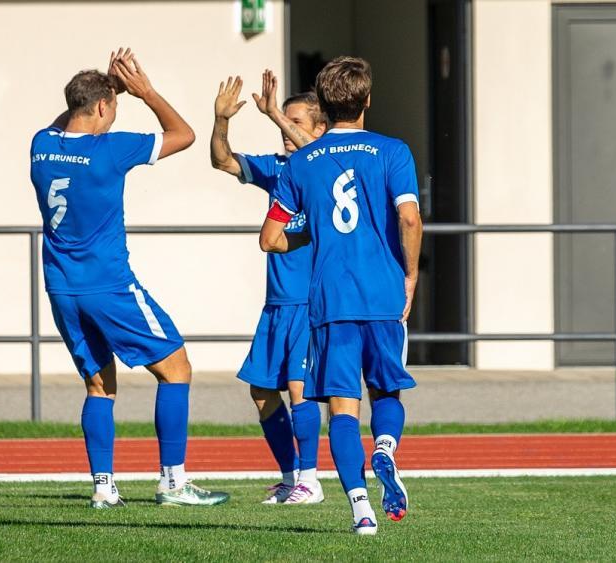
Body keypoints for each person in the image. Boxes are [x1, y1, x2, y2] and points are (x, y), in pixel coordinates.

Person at [30, 48, 229, 509]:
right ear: (103, 106)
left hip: (61, 287)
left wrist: (99, 91)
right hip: (109, 285)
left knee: (99, 385)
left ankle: (104, 488)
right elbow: (184, 134)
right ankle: (173, 482)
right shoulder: (110, 149)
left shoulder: (41, 144)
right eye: (113, 105)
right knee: (176, 368)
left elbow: (66, 122)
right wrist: (144, 91)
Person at [259, 56, 423, 535]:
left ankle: (361, 511)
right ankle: (386, 449)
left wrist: (312, 233)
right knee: (385, 390)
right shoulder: (393, 151)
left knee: (341, 408)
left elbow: (270, 239)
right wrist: (411, 276)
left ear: (324, 105)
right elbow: (409, 218)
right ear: (367, 99)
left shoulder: (301, 163)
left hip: (330, 301)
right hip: (383, 295)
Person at [209, 70, 327, 505]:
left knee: (300, 388)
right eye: (283, 122)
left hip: (309, 303)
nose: (284, 131)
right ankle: (291, 476)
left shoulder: (324, 166)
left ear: (319, 129)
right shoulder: (278, 169)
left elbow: (315, 154)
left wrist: (274, 113)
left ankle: (311, 480)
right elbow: (223, 160)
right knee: (261, 391)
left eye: (295, 123)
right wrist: (221, 120)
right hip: (276, 303)